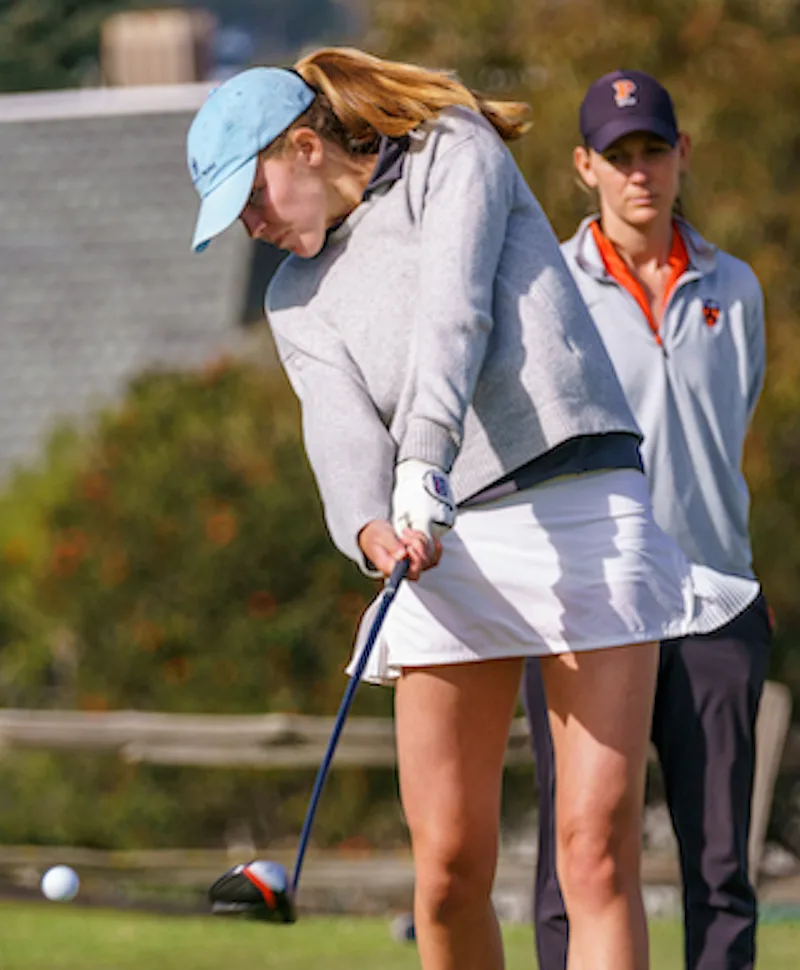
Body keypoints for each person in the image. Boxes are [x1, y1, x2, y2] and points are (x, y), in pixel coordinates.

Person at [185, 49, 757, 970]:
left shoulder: (451, 148)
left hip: (580, 502)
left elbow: (458, 315)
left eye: (250, 198)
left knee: (591, 850)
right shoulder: (294, 298)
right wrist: (372, 529)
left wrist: (423, 461)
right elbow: (336, 434)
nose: (250, 226)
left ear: (300, 147)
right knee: (447, 868)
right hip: (442, 544)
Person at [523, 69, 772, 970]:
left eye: (654, 151)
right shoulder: (546, 286)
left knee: (719, 866)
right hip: (589, 608)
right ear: (584, 165)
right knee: (579, 856)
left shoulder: (735, 288)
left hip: (714, 601)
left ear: (682, 156)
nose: (640, 173)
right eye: (619, 156)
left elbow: (728, 422)